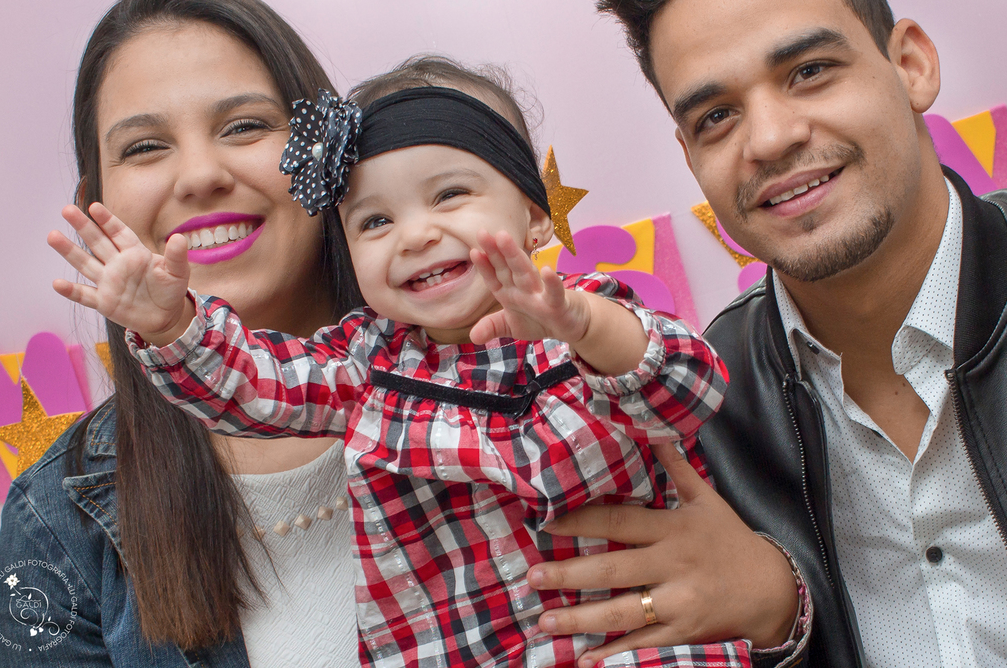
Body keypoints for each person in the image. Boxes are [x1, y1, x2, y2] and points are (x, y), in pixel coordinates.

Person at [528, 0, 1007, 668]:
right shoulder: (708, 408)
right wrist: (779, 621)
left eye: (810, 71)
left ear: (911, 65)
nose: (772, 138)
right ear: (690, 158)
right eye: (716, 116)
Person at [48, 56, 807, 668]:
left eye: (450, 195)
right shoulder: (363, 370)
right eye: (374, 220)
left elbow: (687, 390)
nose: (413, 235)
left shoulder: (589, 322)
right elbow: (255, 386)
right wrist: (173, 323)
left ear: (534, 213)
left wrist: (586, 326)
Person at [0, 0, 363, 667]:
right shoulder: (56, 520)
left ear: (328, 149)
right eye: (143, 147)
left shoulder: (516, 395)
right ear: (96, 203)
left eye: (244, 126)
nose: (198, 175)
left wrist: (640, 597)